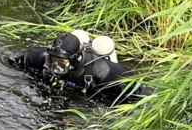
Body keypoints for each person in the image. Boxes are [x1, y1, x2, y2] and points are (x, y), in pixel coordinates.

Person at [9, 31, 146, 103]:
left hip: (97, 65)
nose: (55, 66)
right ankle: (81, 36)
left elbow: (137, 89)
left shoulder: (102, 71)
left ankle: (102, 47)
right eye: (53, 60)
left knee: (103, 44)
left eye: (61, 63)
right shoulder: (42, 57)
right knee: (78, 35)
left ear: (74, 60)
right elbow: (15, 59)